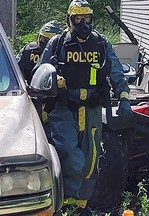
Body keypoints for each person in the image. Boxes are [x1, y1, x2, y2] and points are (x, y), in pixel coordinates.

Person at [33, 0, 132, 215]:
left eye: (87, 18)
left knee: (91, 158)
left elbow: (115, 70)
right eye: (78, 18)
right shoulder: (58, 43)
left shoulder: (101, 43)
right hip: (64, 107)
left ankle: (81, 205)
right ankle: (63, 200)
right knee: (69, 153)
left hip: (92, 108)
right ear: (70, 20)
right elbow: (41, 69)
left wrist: (124, 97)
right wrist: (52, 78)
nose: (83, 23)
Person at [16, 20, 62, 85]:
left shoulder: (61, 53)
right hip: (28, 88)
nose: (41, 41)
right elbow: (16, 68)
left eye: (46, 39)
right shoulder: (29, 49)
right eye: (41, 37)